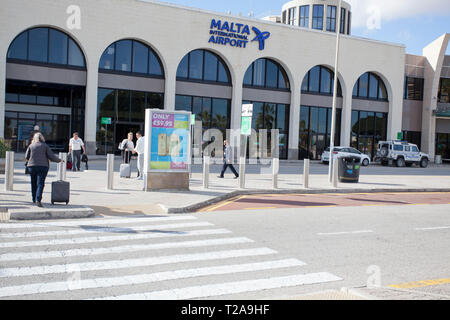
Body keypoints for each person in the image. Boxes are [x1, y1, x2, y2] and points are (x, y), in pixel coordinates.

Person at [25, 132, 63, 207]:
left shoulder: (31, 146)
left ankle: (33, 199)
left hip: (32, 167)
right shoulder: (45, 146)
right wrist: (59, 160)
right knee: (40, 183)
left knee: (33, 183)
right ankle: (38, 200)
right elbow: (51, 156)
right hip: (43, 166)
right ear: (42, 138)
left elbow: (26, 156)